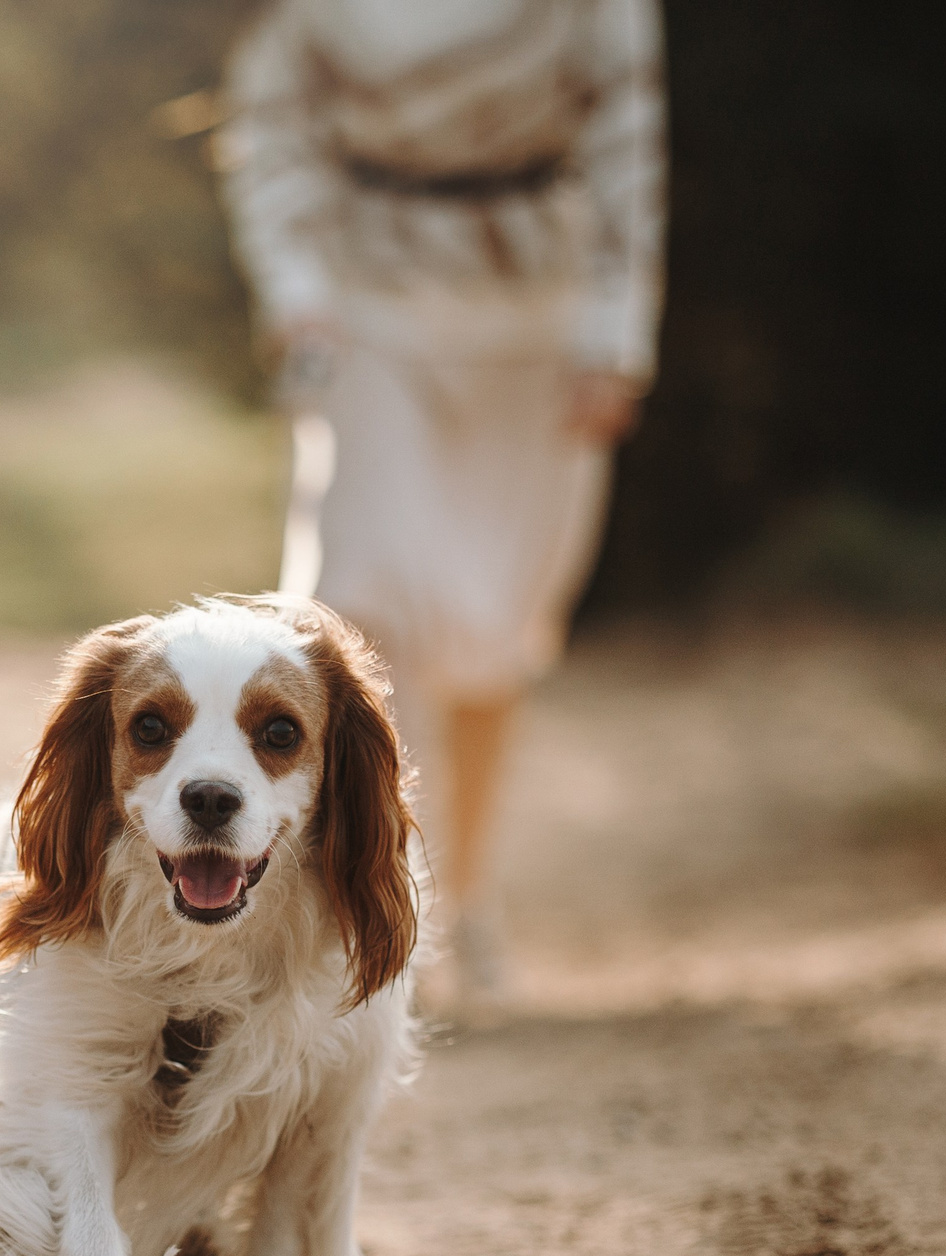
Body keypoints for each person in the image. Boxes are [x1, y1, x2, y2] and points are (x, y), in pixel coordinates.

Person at [217, 0, 665, 1009]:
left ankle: (472, 897)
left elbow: (625, 134)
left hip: (536, 326)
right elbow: (276, 127)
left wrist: (615, 333)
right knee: (361, 608)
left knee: (495, 627)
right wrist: (294, 291)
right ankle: (372, 917)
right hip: (365, 312)